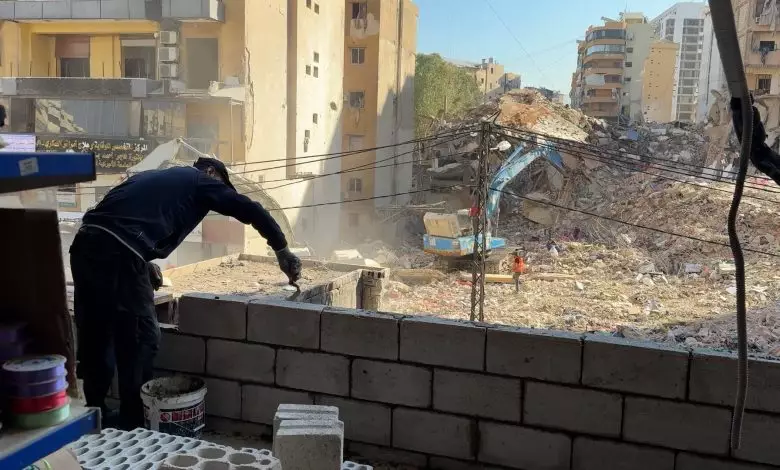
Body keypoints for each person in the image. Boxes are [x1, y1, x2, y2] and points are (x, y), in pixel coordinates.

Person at [69, 157, 301, 430]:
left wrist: (144, 262)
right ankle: (133, 423)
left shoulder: (148, 177)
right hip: (119, 256)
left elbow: (115, 220)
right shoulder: (199, 180)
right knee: (141, 337)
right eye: (221, 187)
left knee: (97, 335)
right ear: (212, 172)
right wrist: (281, 249)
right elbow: (249, 208)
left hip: (84, 248)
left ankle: (91, 416)